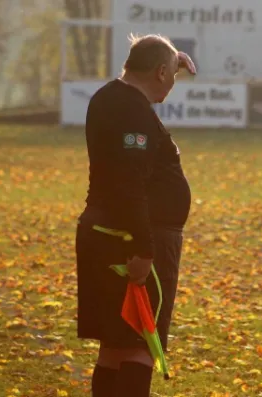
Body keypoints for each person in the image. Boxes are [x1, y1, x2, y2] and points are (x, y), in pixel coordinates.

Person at [75, 33, 196, 397]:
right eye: (171, 76)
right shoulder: (133, 111)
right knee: (140, 343)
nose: (172, 85)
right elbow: (129, 184)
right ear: (159, 72)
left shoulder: (108, 97)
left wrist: (169, 60)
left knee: (115, 346)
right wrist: (145, 250)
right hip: (132, 240)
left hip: (109, 233)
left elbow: (123, 177)